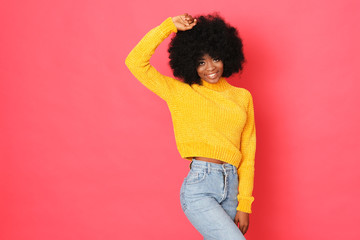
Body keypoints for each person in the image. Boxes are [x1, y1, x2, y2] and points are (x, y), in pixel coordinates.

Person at [125, 13, 256, 240]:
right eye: (200, 62)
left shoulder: (242, 97)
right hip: (201, 186)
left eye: (215, 58)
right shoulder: (181, 92)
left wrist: (244, 203)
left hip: (231, 186)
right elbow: (135, 62)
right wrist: (168, 27)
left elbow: (249, 153)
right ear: (190, 63)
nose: (210, 68)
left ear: (226, 55)